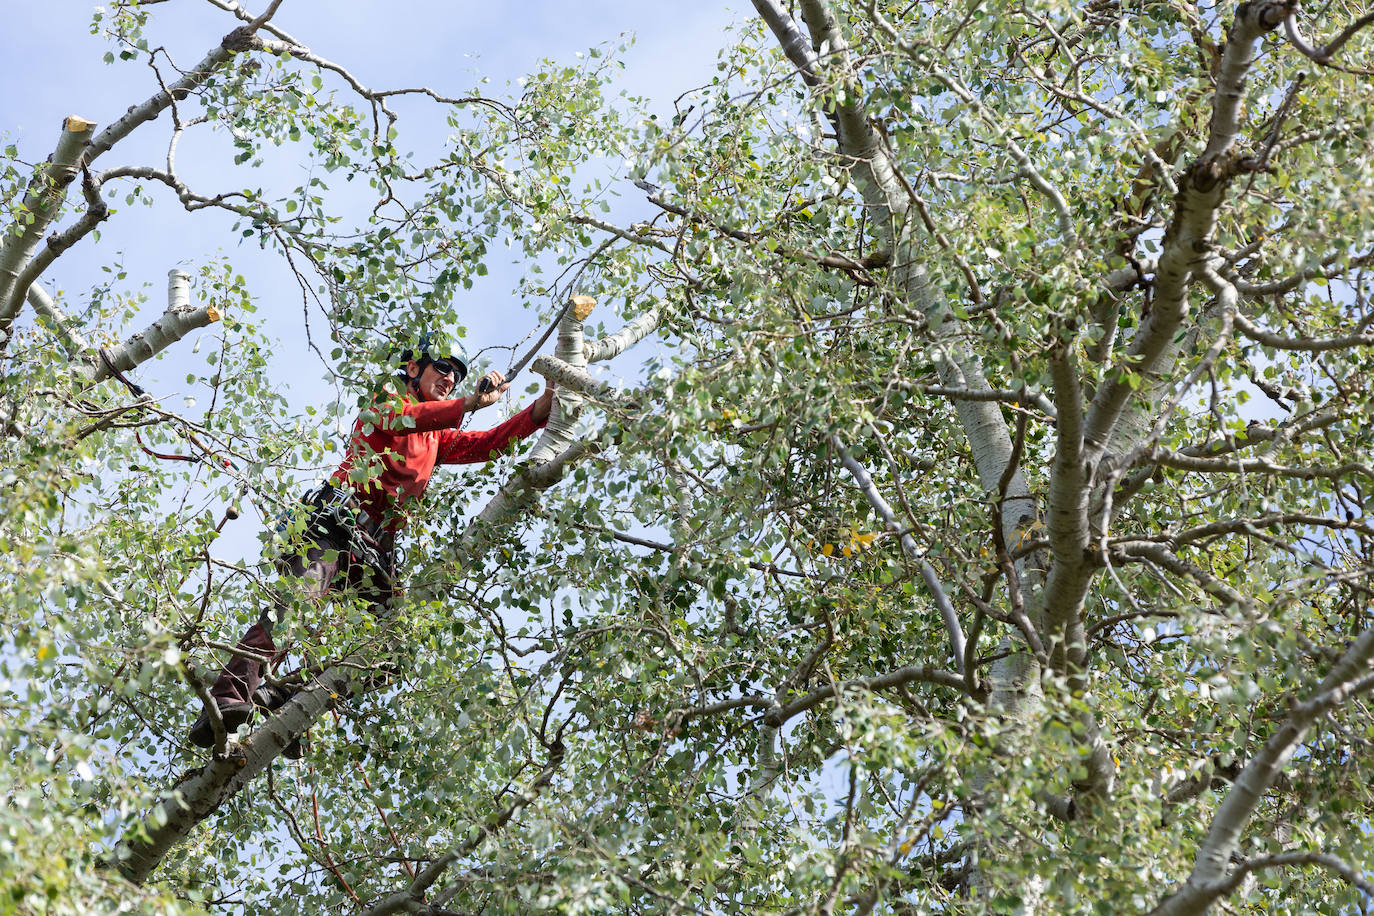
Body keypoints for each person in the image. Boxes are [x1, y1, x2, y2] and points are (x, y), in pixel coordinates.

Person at [189, 335, 554, 753]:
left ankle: (283, 700)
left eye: (458, 374)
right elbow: (403, 419)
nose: (451, 378)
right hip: (331, 531)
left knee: (390, 650)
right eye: (443, 367)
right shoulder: (390, 401)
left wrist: (540, 409)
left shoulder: (435, 438)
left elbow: (487, 443)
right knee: (295, 608)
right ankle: (227, 698)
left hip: (373, 553)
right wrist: (468, 404)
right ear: (415, 369)